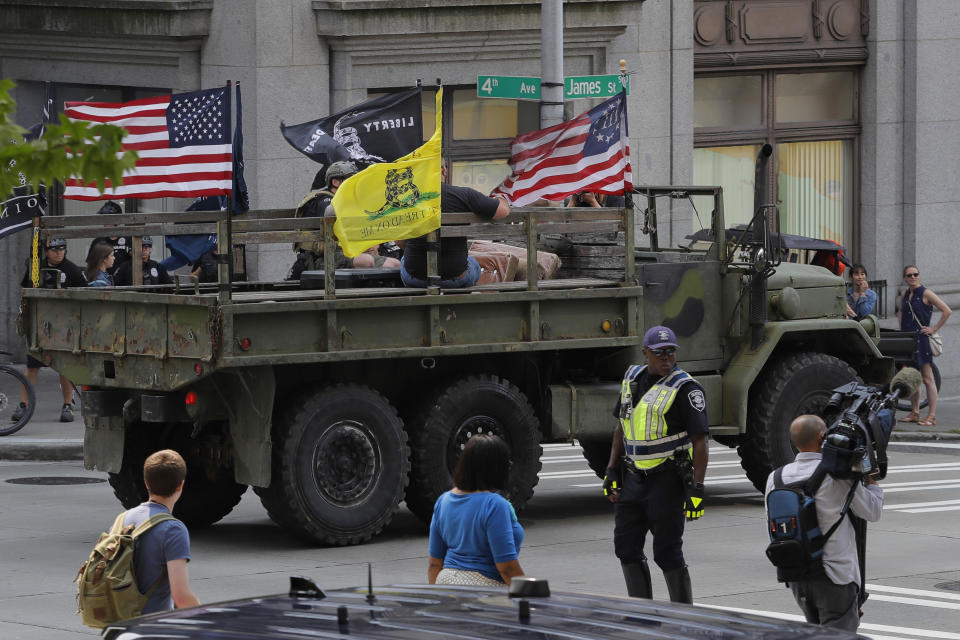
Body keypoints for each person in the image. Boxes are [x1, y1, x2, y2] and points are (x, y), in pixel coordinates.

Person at [602, 325, 709, 603]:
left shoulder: (686, 389)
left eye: (671, 352)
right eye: (660, 353)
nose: (667, 359)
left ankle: (683, 618)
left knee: (667, 552)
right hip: (632, 479)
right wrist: (611, 470)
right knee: (625, 548)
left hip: (667, 481)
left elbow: (701, 442)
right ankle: (643, 616)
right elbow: (621, 427)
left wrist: (697, 490)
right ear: (645, 353)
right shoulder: (632, 379)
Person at [765, 415, 883, 632]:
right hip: (835, 575)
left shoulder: (776, 477)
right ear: (822, 437)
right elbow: (872, 510)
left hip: (797, 574)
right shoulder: (836, 475)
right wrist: (870, 477)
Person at [427, 434, 525, 586]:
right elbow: (507, 567)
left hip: (445, 581)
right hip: (483, 586)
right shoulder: (494, 505)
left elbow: (435, 563)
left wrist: (438, 597)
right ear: (496, 469)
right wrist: (530, 597)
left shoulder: (443, 501)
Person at [11, 237, 86, 423]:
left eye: (62, 248)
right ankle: (23, 405)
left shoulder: (72, 270)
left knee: (65, 368)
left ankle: (68, 405)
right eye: (54, 249)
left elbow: (85, 294)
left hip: (65, 327)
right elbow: (23, 289)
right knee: (32, 366)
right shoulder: (36, 268)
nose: (59, 252)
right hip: (40, 325)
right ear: (47, 251)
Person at [401, 163, 510, 288]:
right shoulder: (464, 195)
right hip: (456, 277)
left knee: (405, 260)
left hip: (416, 279)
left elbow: (400, 242)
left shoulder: (407, 200)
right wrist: (501, 198)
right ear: (443, 170)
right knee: (472, 263)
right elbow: (503, 211)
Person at [289, 162, 400, 281]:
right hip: (324, 259)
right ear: (335, 182)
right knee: (371, 261)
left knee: (394, 263)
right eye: (351, 178)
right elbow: (335, 222)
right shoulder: (325, 201)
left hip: (345, 254)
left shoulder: (347, 201)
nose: (356, 183)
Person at [121, 449, 200, 614]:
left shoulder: (125, 518)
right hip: (152, 625)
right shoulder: (173, 530)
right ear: (181, 485)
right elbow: (181, 597)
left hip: (122, 620)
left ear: (146, 482)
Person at [897, 264, 952, 426]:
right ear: (905, 278)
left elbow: (947, 310)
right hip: (909, 340)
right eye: (909, 275)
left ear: (918, 276)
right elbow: (900, 311)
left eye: (915, 274)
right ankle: (915, 412)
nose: (913, 277)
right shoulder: (905, 294)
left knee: (928, 379)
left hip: (922, 341)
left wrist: (934, 328)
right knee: (914, 378)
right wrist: (903, 330)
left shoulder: (926, 293)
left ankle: (932, 416)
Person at [89, 200, 132, 277]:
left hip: (126, 283)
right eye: (103, 218)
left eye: (107, 219)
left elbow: (135, 261)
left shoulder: (128, 239)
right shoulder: (98, 241)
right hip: (104, 283)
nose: (105, 223)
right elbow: (91, 265)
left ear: (116, 220)